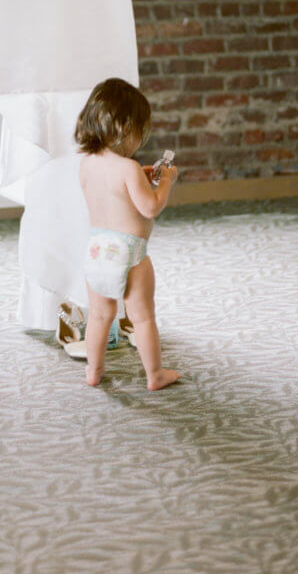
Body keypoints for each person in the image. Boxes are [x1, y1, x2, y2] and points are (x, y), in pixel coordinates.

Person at [74, 78, 181, 391]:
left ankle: (93, 372)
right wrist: (165, 183)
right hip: (130, 253)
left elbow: (114, 195)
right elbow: (150, 207)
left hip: (96, 249)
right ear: (125, 127)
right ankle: (155, 374)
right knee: (142, 317)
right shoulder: (129, 167)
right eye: (140, 131)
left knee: (98, 315)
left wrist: (138, 178)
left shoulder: (87, 164)